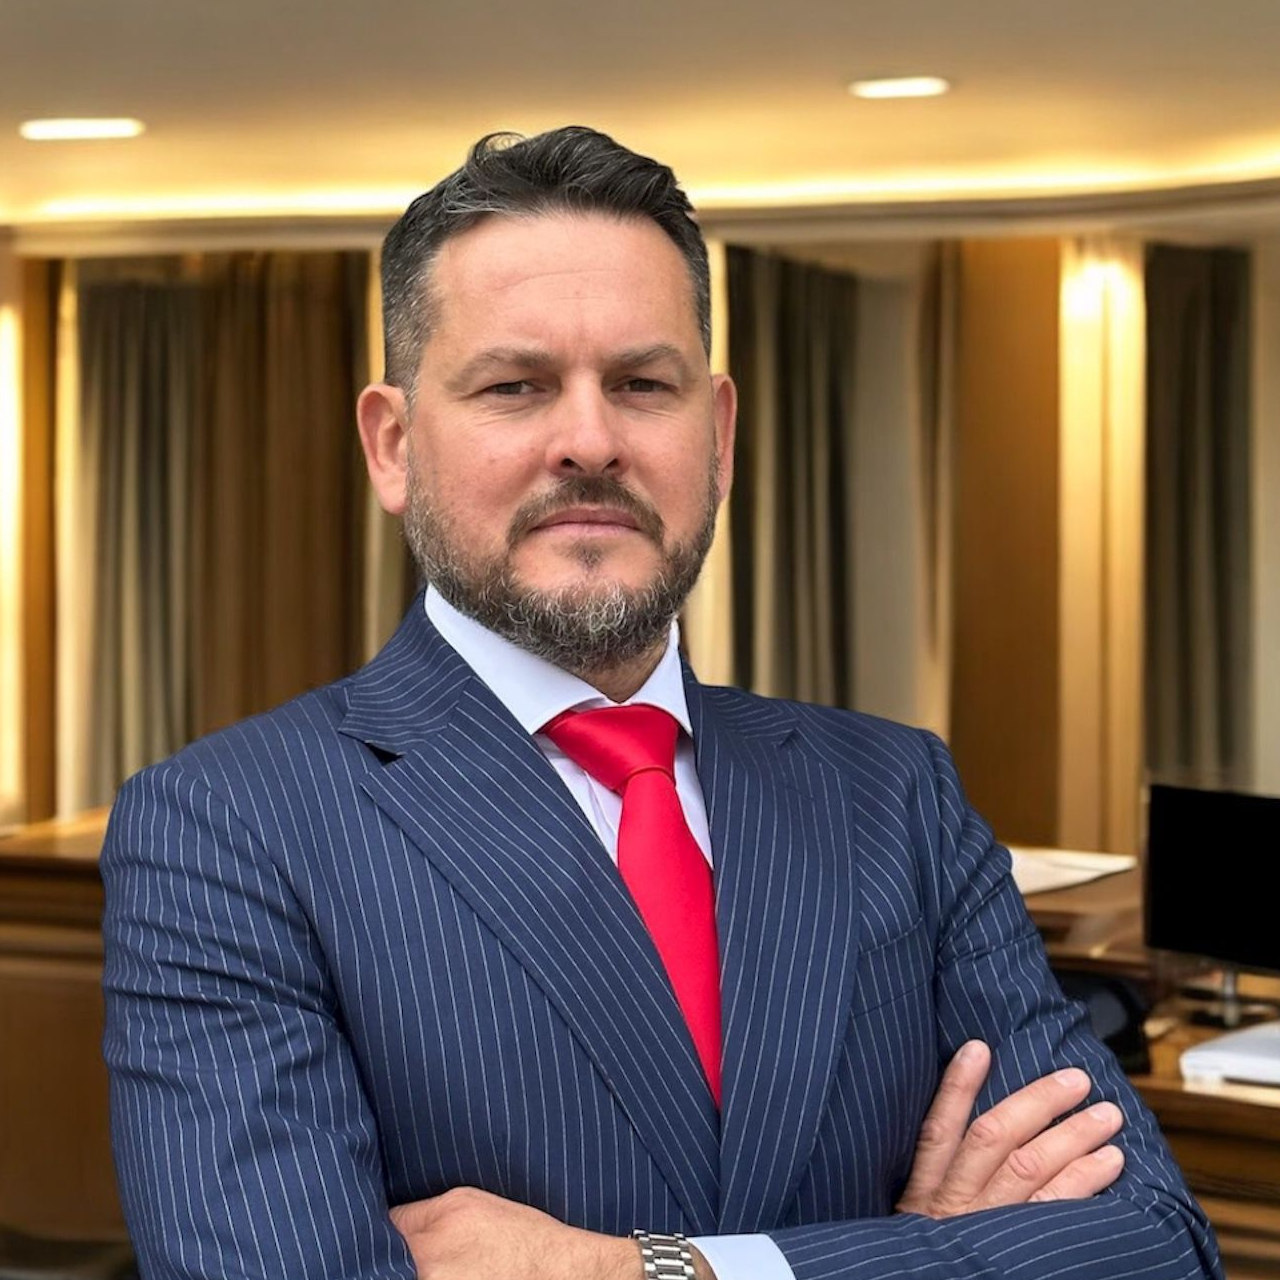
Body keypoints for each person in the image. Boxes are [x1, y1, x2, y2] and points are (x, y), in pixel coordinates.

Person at [101, 126, 1221, 1280]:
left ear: (718, 435)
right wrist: (925, 1253)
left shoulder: (896, 793)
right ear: (392, 445)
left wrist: (639, 1268)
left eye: (642, 384)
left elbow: (1154, 1246)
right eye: (514, 386)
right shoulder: (225, 826)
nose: (589, 441)